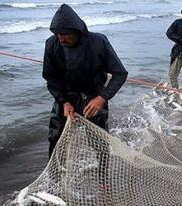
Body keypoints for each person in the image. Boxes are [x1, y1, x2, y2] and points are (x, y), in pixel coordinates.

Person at [42, 4, 128, 158]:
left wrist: (102, 98)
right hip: (65, 96)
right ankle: (55, 178)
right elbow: (51, 78)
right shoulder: (51, 44)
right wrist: (64, 102)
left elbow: (120, 74)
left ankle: (103, 180)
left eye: (65, 34)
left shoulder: (99, 42)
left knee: (99, 140)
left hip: (93, 96)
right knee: (55, 138)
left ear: (77, 31)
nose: (61, 39)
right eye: (57, 34)